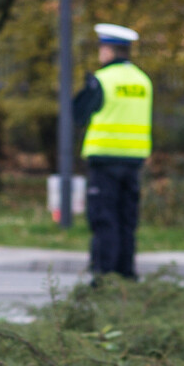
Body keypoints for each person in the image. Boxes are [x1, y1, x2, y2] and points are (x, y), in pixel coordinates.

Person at [73, 23, 152, 282]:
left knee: (104, 220)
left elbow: (79, 114)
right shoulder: (143, 80)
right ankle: (126, 275)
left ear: (108, 51)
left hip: (104, 160)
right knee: (127, 220)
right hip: (134, 161)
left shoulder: (103, 79)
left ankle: (104, 277)